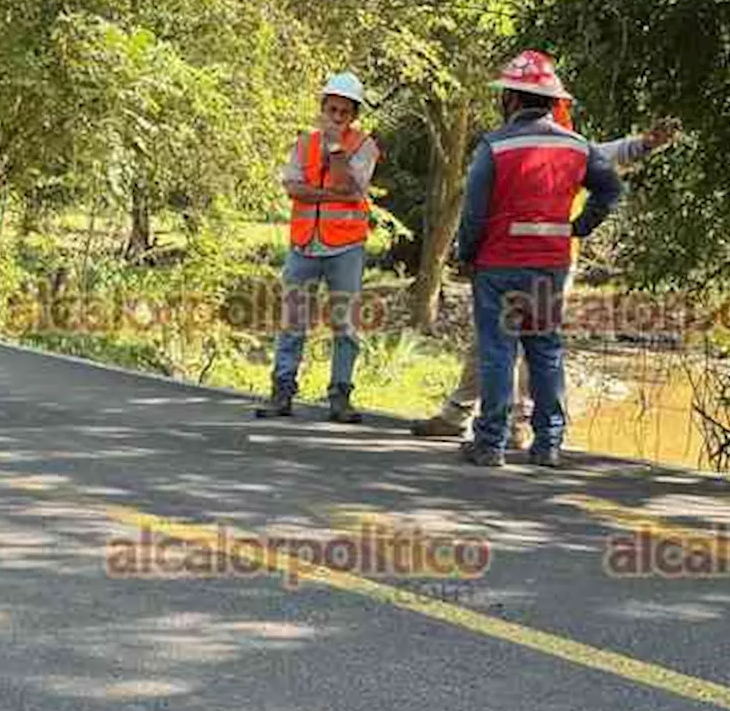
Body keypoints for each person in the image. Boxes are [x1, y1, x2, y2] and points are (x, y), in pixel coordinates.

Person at [410, 117, 682, 447]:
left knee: (522, 344)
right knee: (497, 341)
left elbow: (612, 155)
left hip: (547, 262)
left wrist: (645, 144)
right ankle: (469, 415)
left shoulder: (562, 150)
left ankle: (514, 423)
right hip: (522, 258)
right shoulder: (531, 151)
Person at [456, 50, 622, 468]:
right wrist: (581, 225)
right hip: (550, 264)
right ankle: (548, 444)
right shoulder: (577, 147)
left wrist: (466, 255)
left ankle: (490, 444)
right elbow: (611, 190)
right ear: (552, 101)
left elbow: (474, 212)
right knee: (545, 350)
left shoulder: (493, 147)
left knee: (498, 350)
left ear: (511, 98)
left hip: (498, 264)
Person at [255, 71, 382, 423]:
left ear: (354, 114)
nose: (336, 118)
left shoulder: (365, 146)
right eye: (331, 110)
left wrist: (337, 148)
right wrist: (330, 193)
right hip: (304, 243)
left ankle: (340, 397)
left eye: (343, 112)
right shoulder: (304, 143)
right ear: (322, 108)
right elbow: (293, 188)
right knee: (292, 319)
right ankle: (282, 392)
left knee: (345, 324)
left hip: (345, 246)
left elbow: (347, 184)